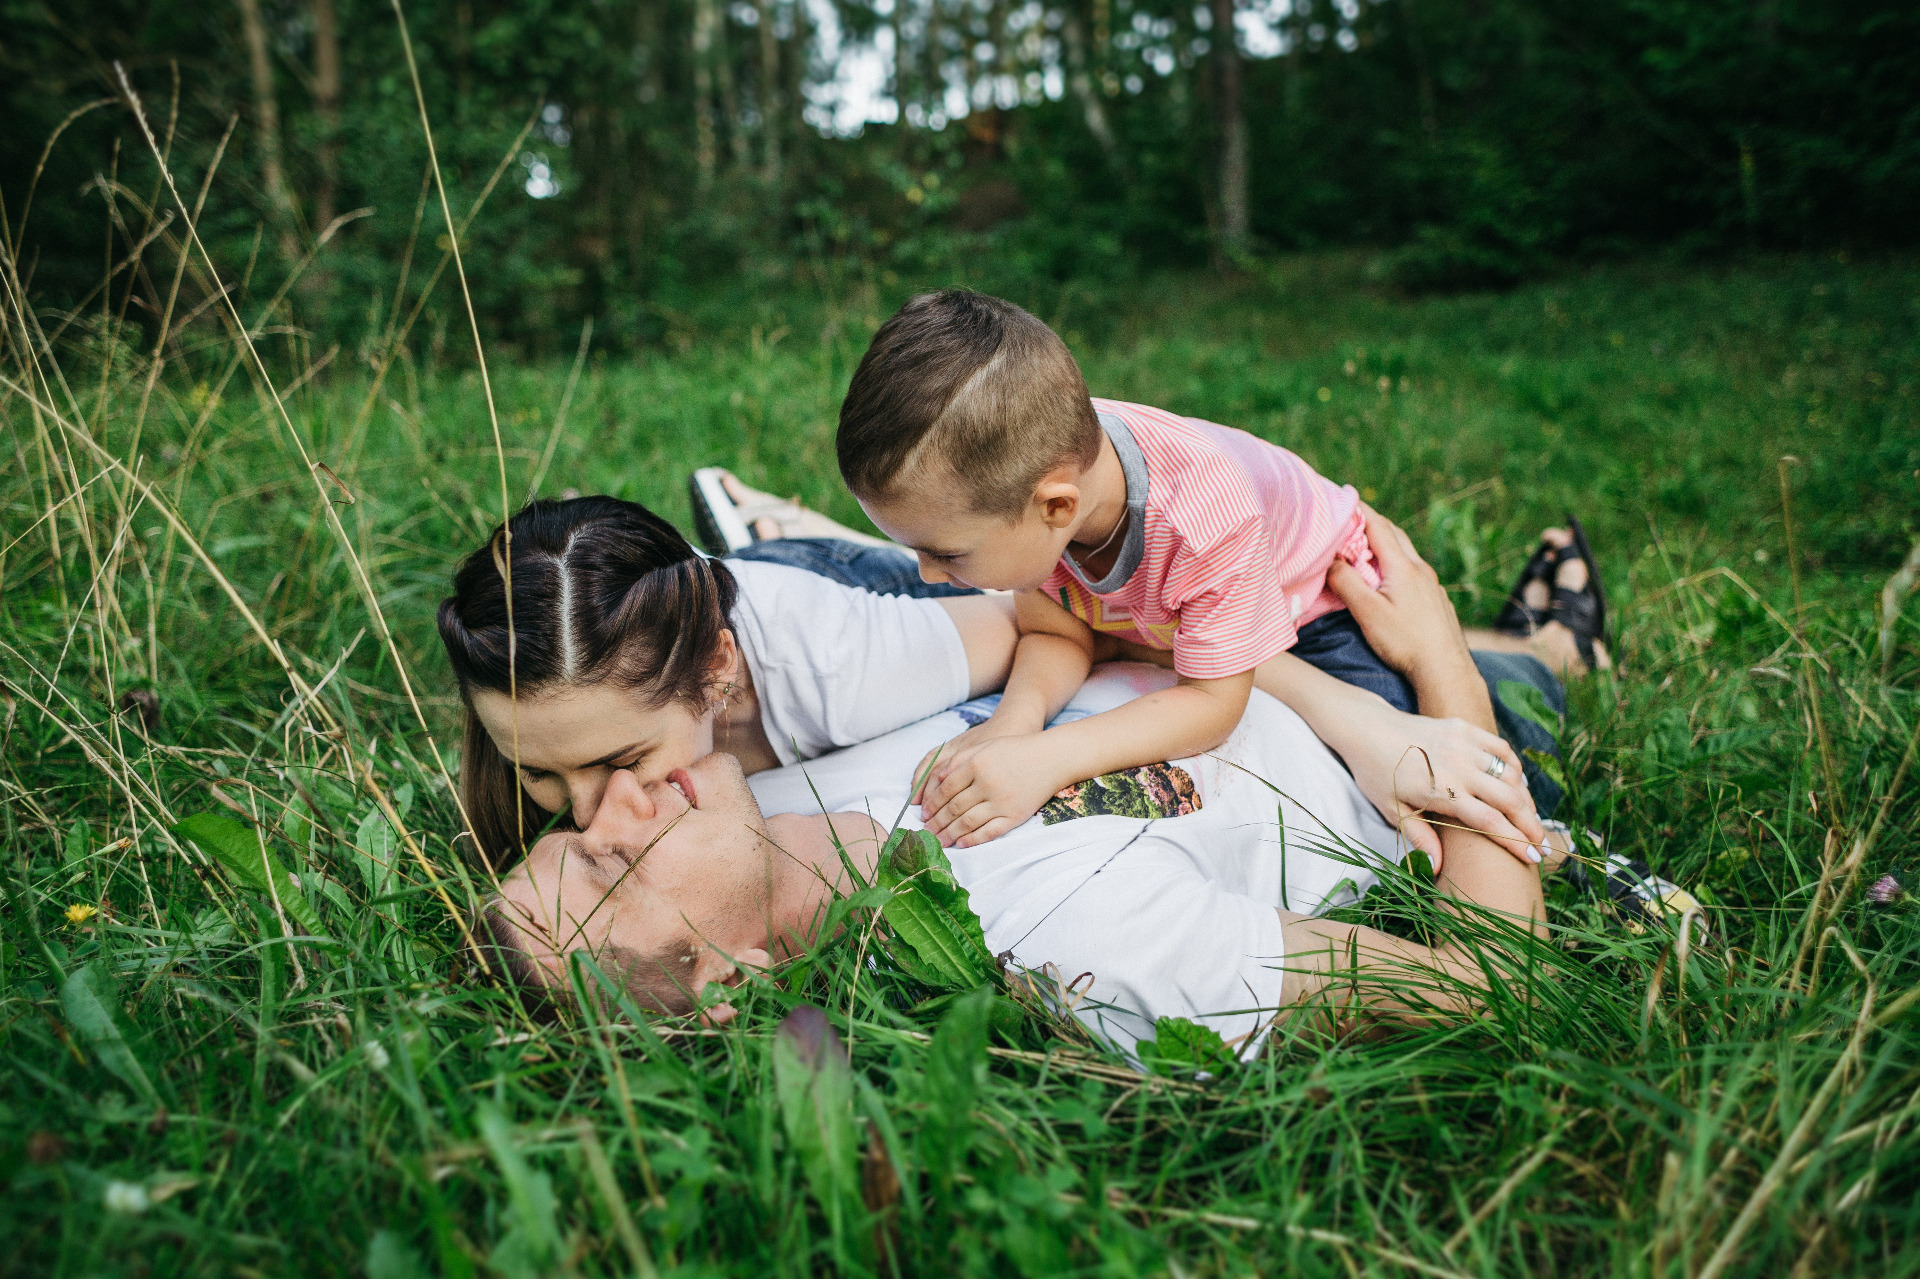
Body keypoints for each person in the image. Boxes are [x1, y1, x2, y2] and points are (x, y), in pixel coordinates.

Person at [484, 508, 1559, 1060]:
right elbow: (1489, 986)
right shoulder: (1072, 946)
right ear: (734, 982)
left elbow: (1051, 614)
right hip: (1411, 752)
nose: (613, 807)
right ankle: (1539, 649)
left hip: (1228, 643)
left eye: (583, 811)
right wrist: (1438, 668)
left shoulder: (781, 755)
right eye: (617, 864)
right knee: (1524, 677)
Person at [830, 290, 1606, 856]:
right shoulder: (1034, 474)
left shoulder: (1200, 519)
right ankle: (1536, 637)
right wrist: (1014, 722)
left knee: (1420, 774)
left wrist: (1047, 758)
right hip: (1198, 618)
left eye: (948, 553)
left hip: (1320, 612)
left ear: (1056, 506)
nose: (929, 574)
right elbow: (1056, 627)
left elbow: (1212, 701)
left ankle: (1559, 797)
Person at [435, 495, 1020, 870]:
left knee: (960, 573)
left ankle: (785, 523)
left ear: (717, 669)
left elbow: (1040, 617)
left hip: (832, 576)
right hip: (691, 593)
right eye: (536, 771)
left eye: (621, 761)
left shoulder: (844, 662)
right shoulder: (544, 701)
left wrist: (1018, 726)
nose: (586, 816)